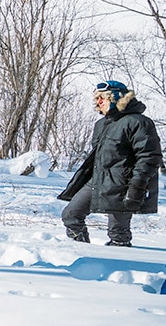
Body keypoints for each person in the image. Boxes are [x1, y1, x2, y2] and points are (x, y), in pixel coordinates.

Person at [59, 81, 161, 247]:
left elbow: (150, 157)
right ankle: (84, 255)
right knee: (71, 215)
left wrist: (137, 187)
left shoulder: (139, 122)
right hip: (99, 181)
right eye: (96, 98)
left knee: (118, 233)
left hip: (124, 185)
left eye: (102, 98)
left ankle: (122, 269)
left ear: (116, 98)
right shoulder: (101, 124)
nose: (98, 102)